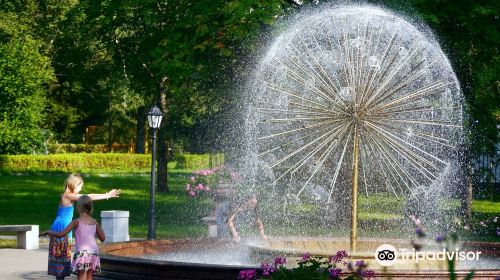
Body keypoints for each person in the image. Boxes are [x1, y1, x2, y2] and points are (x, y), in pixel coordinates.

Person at [46, 173, 120, 279]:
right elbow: (88, 197)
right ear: (74, 184)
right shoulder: (67, 195)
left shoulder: (67, 195)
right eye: (80, 187)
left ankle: (60, 277)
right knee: (61, 258)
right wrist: (107, 195)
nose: (80, 190)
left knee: (62, 257)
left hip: (62, 225)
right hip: (62, 226)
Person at [41, 195, 105, 280]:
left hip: (82, 253)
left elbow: (61, 234)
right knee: (89, 276)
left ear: (79, 207)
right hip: (93, 253)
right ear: (90, 207)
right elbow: (103, 238)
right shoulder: (95, 222)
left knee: (81, 276)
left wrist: (48, 232)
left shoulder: (76, 222)